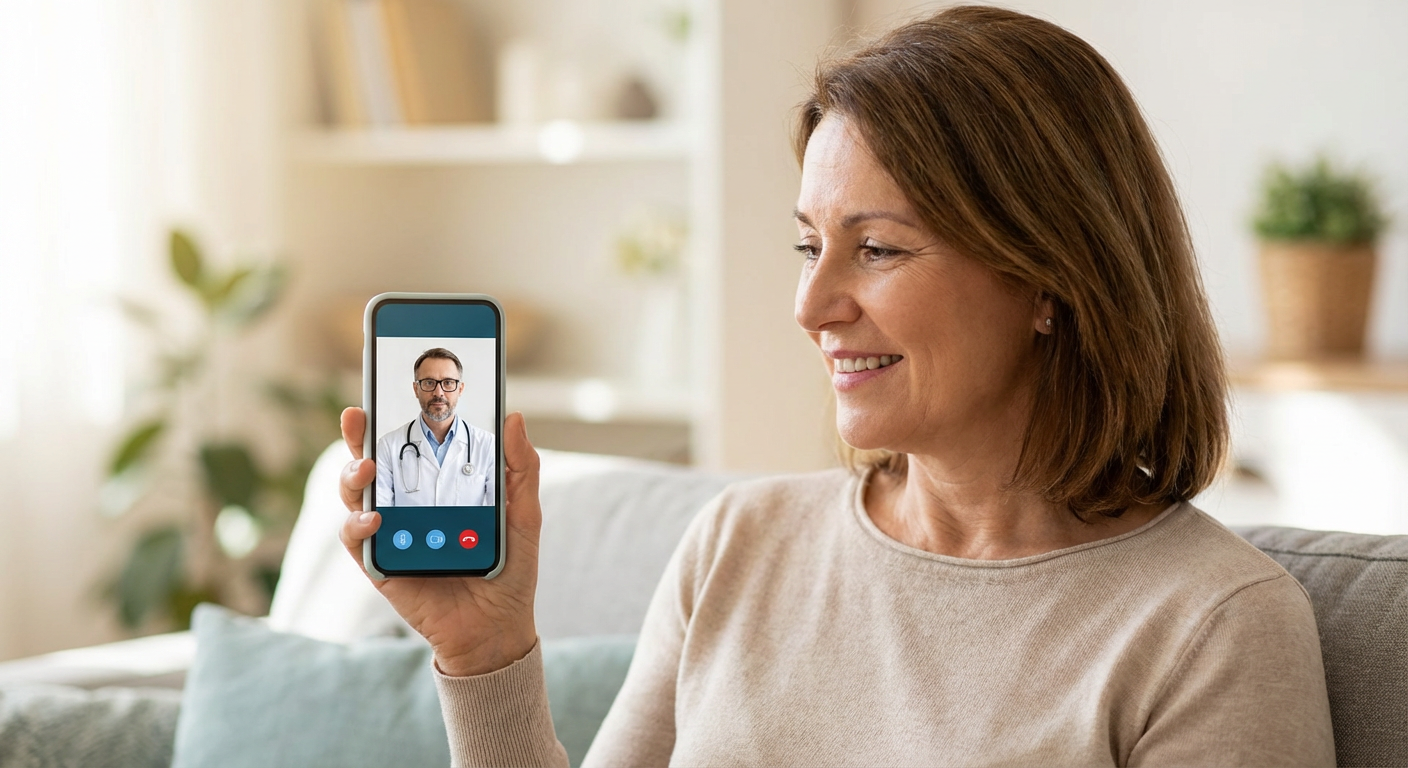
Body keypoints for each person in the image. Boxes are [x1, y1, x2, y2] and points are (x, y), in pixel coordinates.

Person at [338, 7, 1335, 766]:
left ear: (1047, 276)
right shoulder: (739, 545)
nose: (812, 305)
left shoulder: (1210, 626)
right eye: (809, 245)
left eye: (877, 249)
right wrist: (484, 656)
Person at [374, 347, 495, 507]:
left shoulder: (488, 445)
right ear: (416, 389)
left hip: (465, 533)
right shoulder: (388, 446)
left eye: (448, 383)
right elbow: (380, 516)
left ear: (460, 389)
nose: (439, 392)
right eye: (429, 383)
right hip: (409, 533)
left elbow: (497, 516)